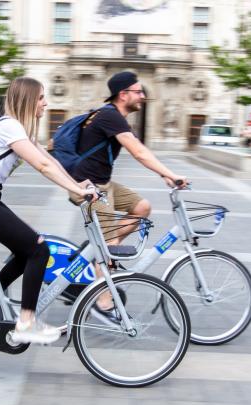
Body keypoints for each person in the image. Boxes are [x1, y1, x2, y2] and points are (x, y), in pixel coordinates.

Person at [0, 77, 98, 344]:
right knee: (39, 249)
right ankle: (26, 322)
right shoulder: (9, 127)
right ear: (29, 100)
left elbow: (50, 160)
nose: (46, 103)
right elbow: (41, 167)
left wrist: (75, 184)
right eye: (41, 98)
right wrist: (76, 191)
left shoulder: (18, 129)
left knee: (25, 251)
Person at [68, 71, 189, 312]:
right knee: (110, 241)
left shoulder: (116, 118)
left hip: (103, 184)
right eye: (138, 91)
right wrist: (172, 174)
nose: (143, 96)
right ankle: (103, 302)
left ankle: (99, 255)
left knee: (141, 208)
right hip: (86, 187)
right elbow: (139, 152)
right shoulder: (109, 116)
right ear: (123, 95)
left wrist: (165, 175)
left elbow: (140, 148)